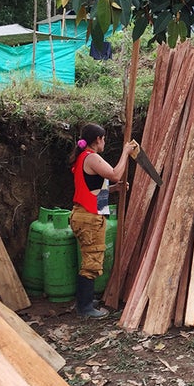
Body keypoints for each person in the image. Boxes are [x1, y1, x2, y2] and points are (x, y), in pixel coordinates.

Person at [69, 123, 136, 319]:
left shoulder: (83, 158)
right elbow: (115, 173)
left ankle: (85, 300)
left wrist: (113, 189)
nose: (104, 142)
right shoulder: (92, 157)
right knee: (91, 262)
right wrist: (125, 153)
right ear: (98, 139)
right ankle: (85, 308)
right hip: (89, 218)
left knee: (89, 259)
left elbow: (91, 189)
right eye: (104, 138)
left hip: (83, 214)